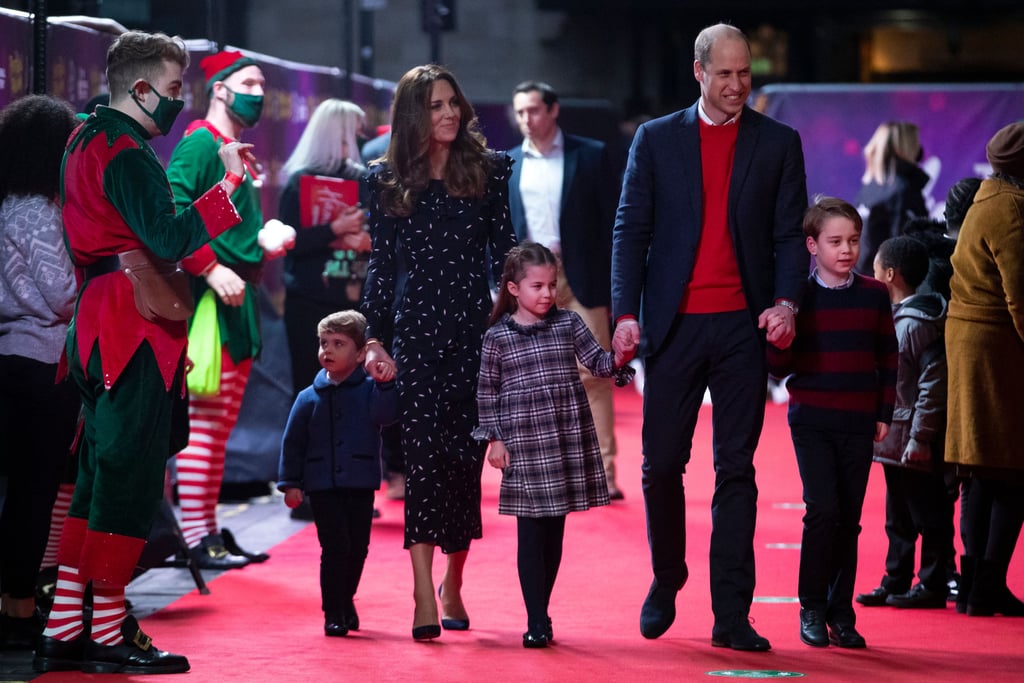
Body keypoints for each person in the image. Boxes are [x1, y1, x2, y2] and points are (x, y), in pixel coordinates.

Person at [34, 30, 252, 674]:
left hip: (102, 322)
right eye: (175, 86)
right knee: (125, 485)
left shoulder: (83, 137)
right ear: (140, 87)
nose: (178, 100)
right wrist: (231, 184)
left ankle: (70, 622)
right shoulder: (125, 151)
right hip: (134, 326)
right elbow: (171, 233)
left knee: (96, 483)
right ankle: (105, 631)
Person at [610, 23, 808, 650]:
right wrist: (624, 312)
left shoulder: (778, 142)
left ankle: (731, 615)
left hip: (743, 327)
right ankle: (668, 576)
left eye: (744, 73)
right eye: (724, 74)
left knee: (736, 472)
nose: (737, 85)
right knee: (660, 465)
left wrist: (785, 302)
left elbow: (786, 237)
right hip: (673, 326)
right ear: (698, 72)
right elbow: (630, 231)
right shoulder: (656, 139)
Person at [360, 64, 518, 641]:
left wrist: (520, 322)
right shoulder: (384, 178)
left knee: (462, 466)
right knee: (423, 462)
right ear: (412, 114)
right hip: (416, 339)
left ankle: (454, 577)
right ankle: (424, 590)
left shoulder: (490, 169)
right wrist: (373, 337)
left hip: (475, 339)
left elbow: (506, 255)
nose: (449, 113)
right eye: (435, 105)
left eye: (454, 102)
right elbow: (380, 266)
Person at [474, 243, 626, 648]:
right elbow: (487, 394)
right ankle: (536, 618)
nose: (546, 294)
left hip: (563, 438)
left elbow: (598, 363)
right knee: (531, 533)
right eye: (537, 286)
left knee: (554, 533)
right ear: (512, 288)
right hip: (523, 443)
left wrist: (622, 355)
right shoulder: (497, 338)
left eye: (552, 285)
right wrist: (495, 439)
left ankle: (542, 609)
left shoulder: (569, 324)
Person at [767, 197, 897, 649]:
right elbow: (779, 367)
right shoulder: (797, 297)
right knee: (823, 511)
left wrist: (884, 412)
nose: (846, 250)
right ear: (811, 245)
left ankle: (841, 613)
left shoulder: (875, 294)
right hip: (813, 421)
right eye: (835, 241)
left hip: (860, 420)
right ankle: (812, 608)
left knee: (850, 519)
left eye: (854, 241)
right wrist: (777, 331)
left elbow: (888, 357)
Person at [166, 49, 278, 570]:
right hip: (208, 303)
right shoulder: (200, 144)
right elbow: (170, 214)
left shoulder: (231, 148)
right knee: (206, 423)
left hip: (236, 300)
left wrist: (262, 244)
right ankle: (195, 536)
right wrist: (209, 267)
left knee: (220, 424)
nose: (258, 91)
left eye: (261, 83)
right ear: (219, 88)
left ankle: (206, 528)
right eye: (249, 81)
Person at [508, 81, 623, 499]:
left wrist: (617, 284)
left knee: (594, 375)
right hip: (528, 281)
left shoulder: (590, 155)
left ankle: (605, 476)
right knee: (527, 380)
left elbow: (614, 222)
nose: (527, 119)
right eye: (520, 112)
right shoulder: (507, 164)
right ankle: (539, 473)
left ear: (554, 110)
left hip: (581, 277)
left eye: (534, 110)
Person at [0, 94, 79, 650]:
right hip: (43, 360)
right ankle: (20, 609)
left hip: (12, 357)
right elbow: (60, 295)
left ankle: (16, 602)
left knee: (22, 490)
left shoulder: (7, 205)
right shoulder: (37, 211)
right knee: (35, 490)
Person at [277, 310, 398, 637]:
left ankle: (345, 599)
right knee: (335, 547)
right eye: (323, 343)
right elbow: (294, 443)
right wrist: (291, 483)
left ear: (360, 355)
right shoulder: (307, 398)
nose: (327, 350)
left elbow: (387, 417)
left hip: (359, 483)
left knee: (358, 547)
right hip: (322, 486)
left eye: (338, 344)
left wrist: (387, 386)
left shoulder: (372, 390)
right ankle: (333, 611)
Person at [945, 122, 1024, 617]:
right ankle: (987, 585)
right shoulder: (1012, 209)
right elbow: (1022, 294)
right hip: (996, 346)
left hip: (971, 341)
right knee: (1013, 471)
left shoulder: (985, 196)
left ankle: (976, 583)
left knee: (979, 471)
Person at [855, 236, 952, 610]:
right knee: (897, 515)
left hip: (913, 437)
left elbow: (932, 386)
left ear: (890, 275)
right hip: (895, 437)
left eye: (876, 267)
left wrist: (920, 437)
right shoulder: (900, 319)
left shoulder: (917, 324)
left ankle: (932, 582)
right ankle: (895, 579)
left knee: (929, 512)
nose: (872, 272)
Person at [279, 98, 371, 396]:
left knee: (355, 389)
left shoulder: (364, 180)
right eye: (354, 130)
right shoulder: (299, 181)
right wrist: (334, 229)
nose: (360, 137)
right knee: (309, 386)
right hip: (308, 302)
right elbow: (290, 242)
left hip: (354, 298)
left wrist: (367, 242)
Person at [854, 121, 929, 274]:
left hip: (866, 276)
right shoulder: (903, 189)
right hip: (889, 283)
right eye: (916, 142)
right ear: (907, 147)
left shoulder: (870, 185)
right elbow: (905, 247)